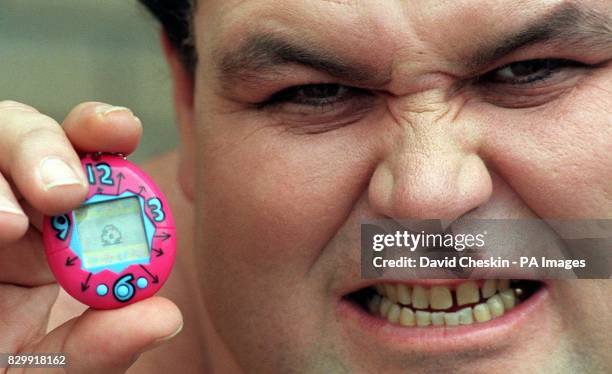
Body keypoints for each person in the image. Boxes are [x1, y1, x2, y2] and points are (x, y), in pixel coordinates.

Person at [1, 0, 611, 372]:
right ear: (187, 103)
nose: (427, 200)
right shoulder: (38, 347)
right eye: (313, 92)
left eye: (534, 71)